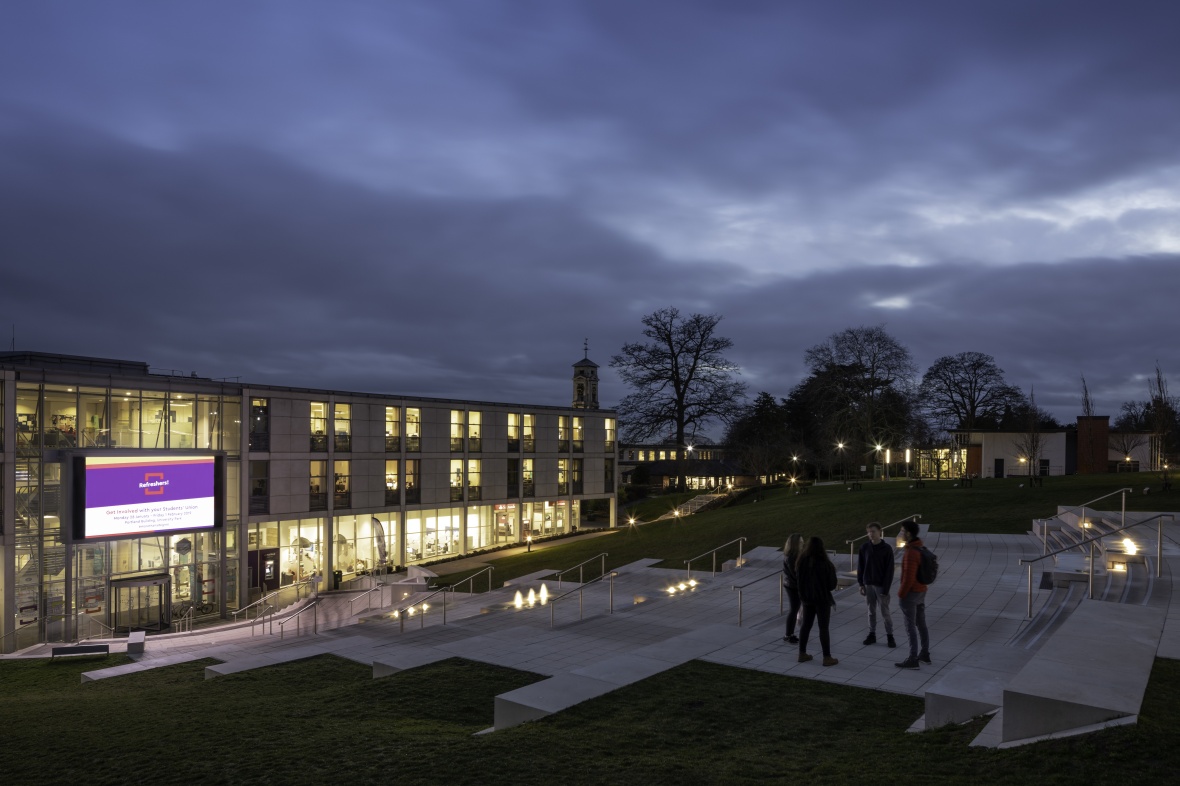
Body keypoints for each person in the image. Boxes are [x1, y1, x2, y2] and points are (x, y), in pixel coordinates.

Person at [796, 536, 839, 666]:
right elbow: (832, 584)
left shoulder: (801, 562)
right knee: (823, 628)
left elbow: (798, 581)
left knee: (805, 626)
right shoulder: (825, 564)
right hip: (822, 599)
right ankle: (827, 657)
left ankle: (802, 653)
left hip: (807, 599)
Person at [895, 520, 931, 669]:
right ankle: (925, 654)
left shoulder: (910, 553)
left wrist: (901, 594)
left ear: (909, 533)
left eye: (902, 531)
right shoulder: (920, 548)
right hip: (921, 591)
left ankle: (913, 658)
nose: (901, 534)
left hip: (911, 594)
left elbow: (908, 578)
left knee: (910, 626)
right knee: (921, 623)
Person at [857, 521, 896, 648]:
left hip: (880, 585)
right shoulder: (864, 548)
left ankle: (890, 636)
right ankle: (871, 634)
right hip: (868, 584)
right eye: (868, 532)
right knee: (871, 611)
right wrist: (861, 584)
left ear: (880, 531)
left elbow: (889, 570)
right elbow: (861, 567)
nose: (871, 534)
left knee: (885, 612)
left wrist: (886, 588)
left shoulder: (886, 549)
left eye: (873, 531)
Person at [782, 533, 804, 644]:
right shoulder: (791, 557)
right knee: (793, 609)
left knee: (794, 609)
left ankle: (790, 633)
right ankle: (788, 634)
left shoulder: (794, 555)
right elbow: (795, 574)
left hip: (792, 584)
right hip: (792, 586)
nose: (802, 543)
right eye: (800, 542)